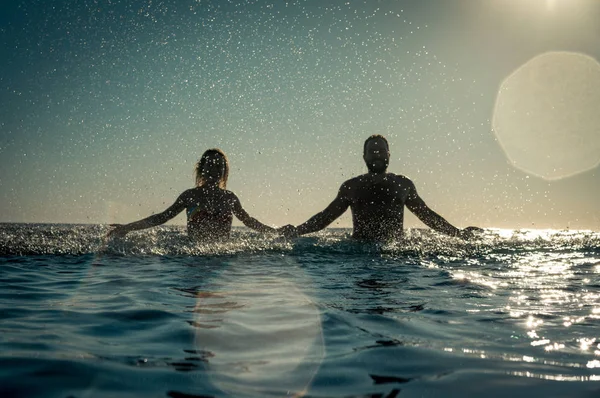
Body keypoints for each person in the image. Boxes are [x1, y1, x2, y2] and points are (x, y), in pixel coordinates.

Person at [280, 135, 480, 241]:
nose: (377, 155)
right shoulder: (352, 186)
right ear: (364, 156)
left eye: (381, 151)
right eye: (372, 151)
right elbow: (325, 218)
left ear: (389, 155)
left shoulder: (403, 184)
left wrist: (458, 233)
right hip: (359, 253)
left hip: (395, 254)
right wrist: (296, 231)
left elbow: (426, 215)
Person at [108, 148, 276, 241]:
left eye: (219, 166)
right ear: (201, 169)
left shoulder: (230, 198)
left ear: (225, 172)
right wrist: (127, 227)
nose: (214, 170)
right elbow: (162, 217)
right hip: (192, 260)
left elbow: (249, 221)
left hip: (223, 260)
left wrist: (275, 232)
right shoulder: (190, 196)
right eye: (210, 165)